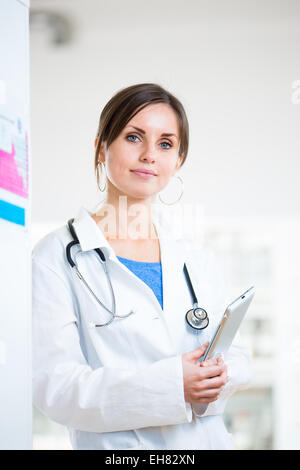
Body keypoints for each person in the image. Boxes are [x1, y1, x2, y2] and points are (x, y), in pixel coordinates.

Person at [32, 83, 252, 450]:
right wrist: (172, 384)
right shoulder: (55, 257)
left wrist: (209, 379)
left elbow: (240, 360)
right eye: (134, 137)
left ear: (178, 160)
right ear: (102, 147)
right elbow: (58, 388)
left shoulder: (196, 259)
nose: (150, 154)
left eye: (165, 144)